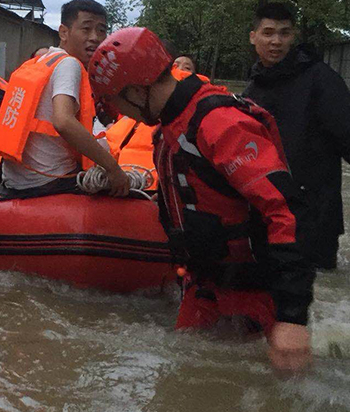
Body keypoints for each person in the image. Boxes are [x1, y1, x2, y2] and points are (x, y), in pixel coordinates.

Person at [89, 26, 315, 372]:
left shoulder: (219, 124)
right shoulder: (171, 126)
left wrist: (293, 318)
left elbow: (287, 209)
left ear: (136, 91)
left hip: (254, 293)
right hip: (206, 287)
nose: (122, 114)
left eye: (117, 103)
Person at [244, 2, 350, 270]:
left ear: (294, 37)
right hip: (268, 215)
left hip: (316, 218)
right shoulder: (252, 90)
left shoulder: (320, 80)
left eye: (284, 33)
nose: (276, 41)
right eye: (268, 33)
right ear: (253, 37)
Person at [0, 0, 129, 198]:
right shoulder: (69, 64)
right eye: (86, 29)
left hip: (14, 180)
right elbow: (63, 121)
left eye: (101, 30)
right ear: (64, 32)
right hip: (50, 181)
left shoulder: (42, 62)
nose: (95, 37)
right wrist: (113, 169)